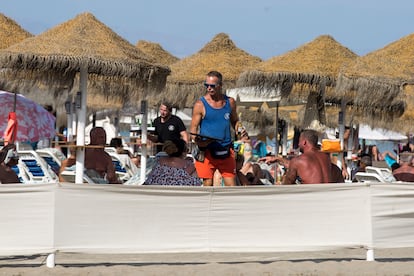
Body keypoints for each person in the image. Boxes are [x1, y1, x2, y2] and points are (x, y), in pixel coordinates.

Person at [190, 70, 247, 186]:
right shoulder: (200, 104)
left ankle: (230, 205)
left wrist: (240, 130)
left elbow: (235, 121)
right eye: (207, 85)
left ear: (220, 86)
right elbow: (193, 130)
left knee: (231, 186)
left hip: (225, 149)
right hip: (207, 151)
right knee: (208, 185)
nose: (209, 88)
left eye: (212, 86)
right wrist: (198, 142)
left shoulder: (230, 102)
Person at [259, 129, 334, 184]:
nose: (298, 144)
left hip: (311, 197)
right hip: (327, 196)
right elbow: (305, 166)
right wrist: (278, 159)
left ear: (304, 142)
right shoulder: (326, 157)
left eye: (299, 141)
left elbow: (288, 183)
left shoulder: (299, 160)